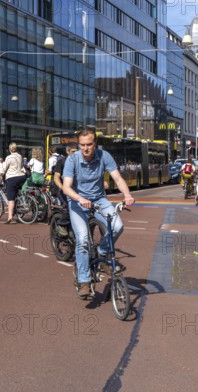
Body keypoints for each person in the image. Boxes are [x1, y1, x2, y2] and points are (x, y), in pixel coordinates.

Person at [62, 127, 135, 299]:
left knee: (118, 226)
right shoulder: (72, 160)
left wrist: (127, 195)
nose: (85, 149)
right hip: (78, 202)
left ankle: (102, 251)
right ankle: (84, 281)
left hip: (99, 200)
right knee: (83, 240)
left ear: (95, 144)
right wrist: (79, 199)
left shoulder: (104, 156)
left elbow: (117, 178)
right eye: (82, 145)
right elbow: (66, 187)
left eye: (89, 144)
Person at [0, 143, 26, 224]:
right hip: (22, 177)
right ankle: (19, 206)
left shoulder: (9, 157)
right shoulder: (20, 156)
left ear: (9, 149)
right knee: (16, 193)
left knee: (10, 198)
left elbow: (3, 169)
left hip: (12, 178)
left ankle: (10, 217)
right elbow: (21, 166)